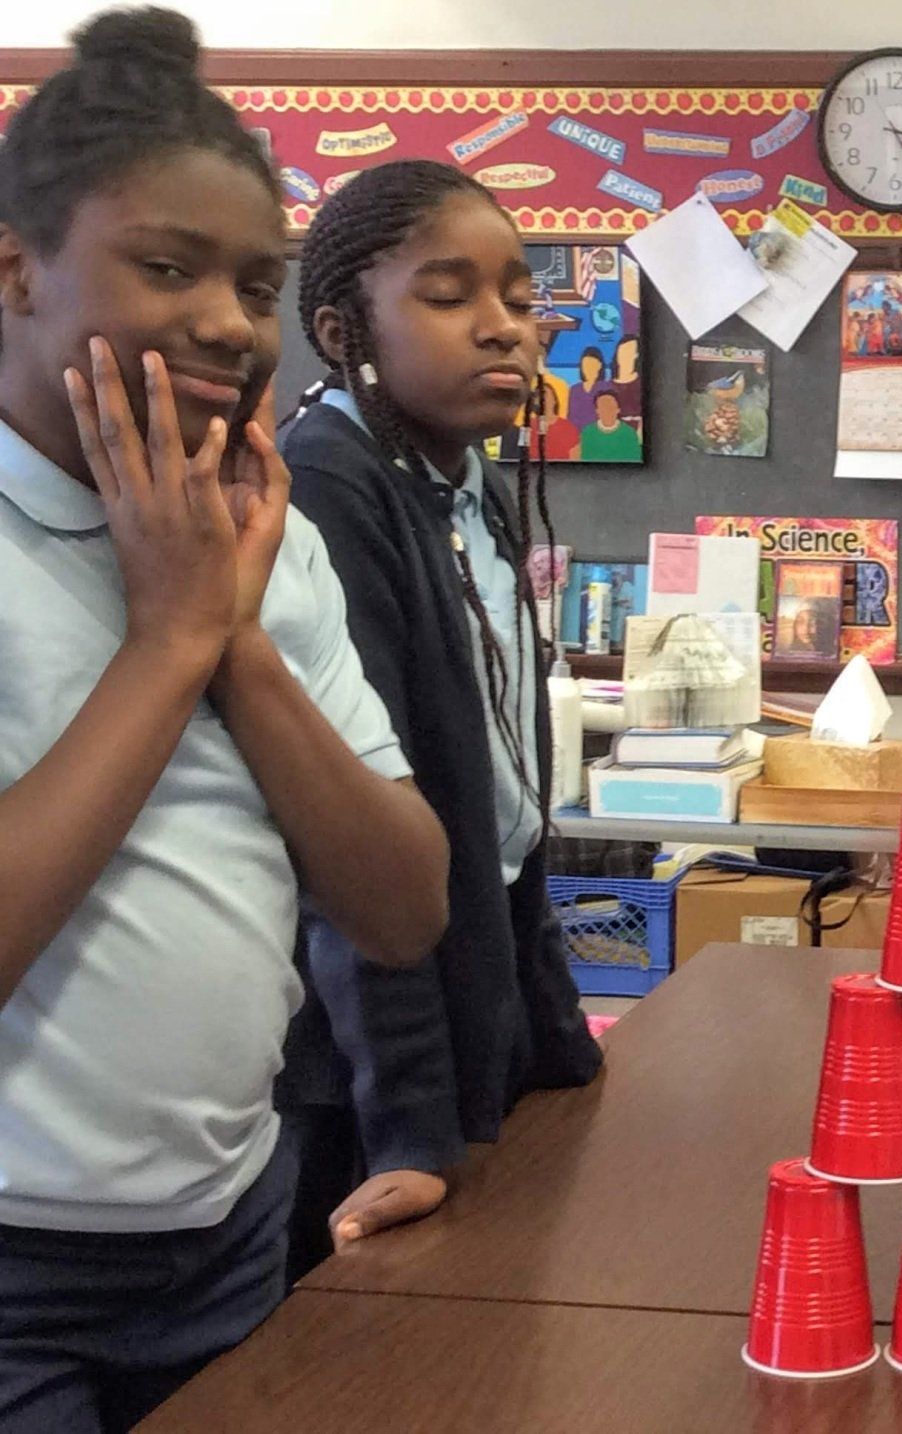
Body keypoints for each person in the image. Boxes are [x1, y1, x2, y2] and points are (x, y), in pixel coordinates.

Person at [0, 11, 448, 1427]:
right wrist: (173, 635)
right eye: (167, 265)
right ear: (14, 272)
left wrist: (236, 635)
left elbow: (402, 906)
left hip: (228, 1233)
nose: (219, 320)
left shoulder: (266, 535)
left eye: (254, 284)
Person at [277, 159, 602, 1282]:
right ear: (339, 326)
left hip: (469, 1007)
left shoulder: (453, 480)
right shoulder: (328, 485)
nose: (504, 328)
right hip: (358, 1073)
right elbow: (358, 842)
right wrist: (410, 1128)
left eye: (519, 296)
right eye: (450, 295)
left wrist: (558, 1043)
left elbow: (499, 810)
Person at [576, 388, 644, 462]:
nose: (607, 410)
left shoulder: (628, 433)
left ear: (618, 409)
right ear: (597, 410)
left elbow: (633, 460)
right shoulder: (588, 432)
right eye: (603, 406)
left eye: (610, 406)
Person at [564, 344, 611, 430]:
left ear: (600, 365)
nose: (588, 368)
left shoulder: (606, 388)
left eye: (592, 364)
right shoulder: (575, 390)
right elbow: (571, 417)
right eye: (585, 364)